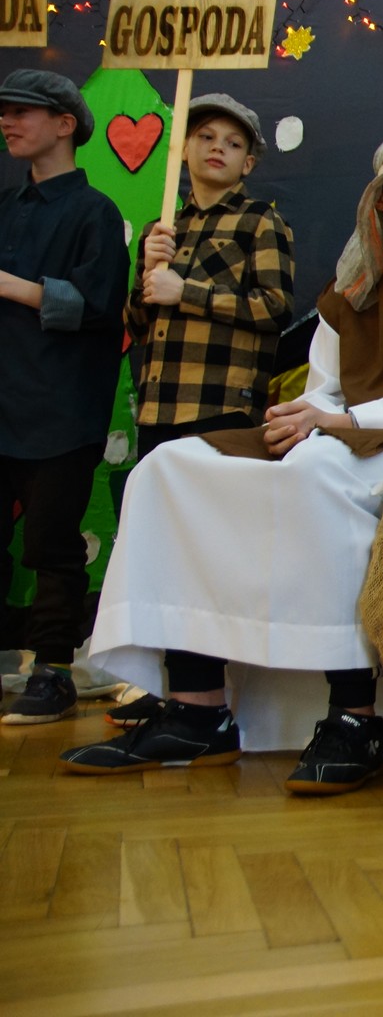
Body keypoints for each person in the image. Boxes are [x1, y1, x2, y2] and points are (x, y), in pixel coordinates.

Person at [61, 125, 383, 793]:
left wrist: (343, 424)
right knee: (168, 468)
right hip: (352, 432)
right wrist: (306, 415)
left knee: (317, 472)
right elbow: (327, 384)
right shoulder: (357, 278)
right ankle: (196, 708)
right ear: (381, 197)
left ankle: (354, 717)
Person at [0, 70, 130, 726]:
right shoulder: (5, 206)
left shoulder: (94, 213)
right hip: (4, 401)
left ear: (65, 124)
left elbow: (95, 306)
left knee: (51, 544)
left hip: (62, 409)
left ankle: (51, 671)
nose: (8, 121)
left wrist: (9, 284)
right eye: (5, 111)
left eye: (22, 111)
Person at [127, 93, 294, 456]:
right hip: (156, 408)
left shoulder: (260, 220)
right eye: (205, 137)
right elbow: (137, 328)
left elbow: (276, 308)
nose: (218, 147)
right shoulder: (160, 229)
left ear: (247, 164)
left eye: (233, 144)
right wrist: (147, 275)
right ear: (184, 149)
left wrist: (185, 292)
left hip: (221, 406)